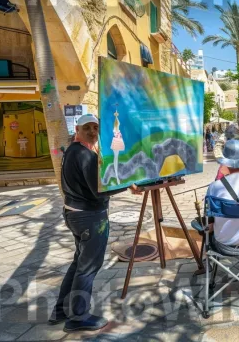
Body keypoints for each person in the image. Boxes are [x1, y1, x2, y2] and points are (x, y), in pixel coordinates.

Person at [49, 114, 138, 332]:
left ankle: (61, 309)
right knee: (87, 268)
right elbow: (98, 191)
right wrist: (128, 184)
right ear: (77, 130)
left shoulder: (73, 150)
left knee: (78, 264)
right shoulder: (83, 154)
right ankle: (78, 318)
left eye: (95, 127)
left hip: (75, 213)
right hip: (89, 217)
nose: (92, 132)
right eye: (87, 128)